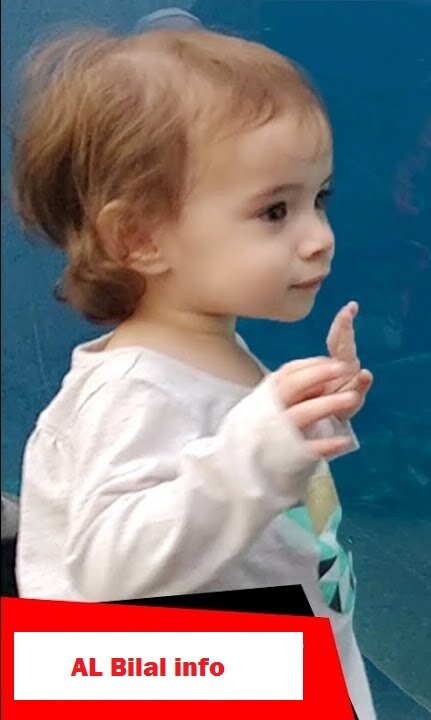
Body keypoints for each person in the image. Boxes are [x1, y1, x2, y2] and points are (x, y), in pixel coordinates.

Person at [9, 26, 378, 719]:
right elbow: (109, 571)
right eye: (276, 210)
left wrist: (312, 417)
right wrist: (259, 455)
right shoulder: (134, 391)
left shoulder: (210, 346)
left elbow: (235, 460)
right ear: (140, 238)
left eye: (319, 198)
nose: (319, 235)